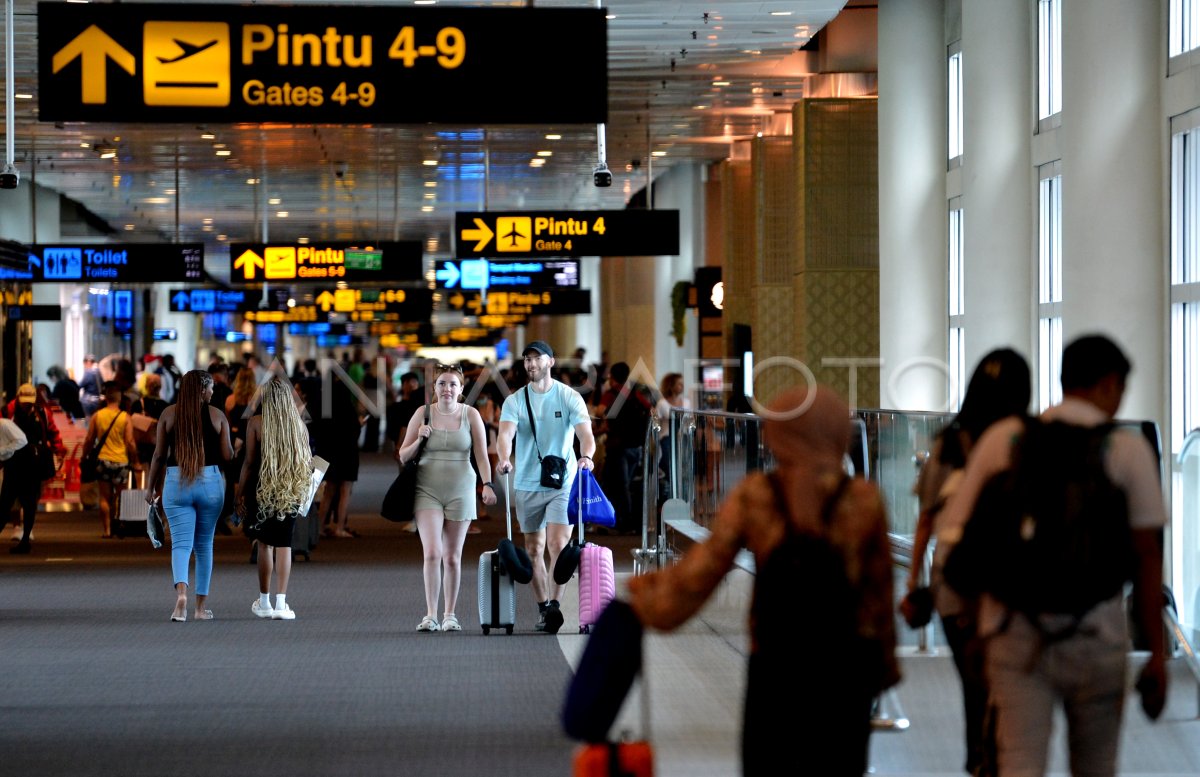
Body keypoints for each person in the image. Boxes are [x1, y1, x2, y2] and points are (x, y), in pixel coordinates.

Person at [628, 384, 899, 776]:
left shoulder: (757, 497)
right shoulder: (863, 500)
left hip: (776, 661)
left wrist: (645, 601)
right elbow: (878, 592)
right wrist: (884, 668)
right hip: (845, 666)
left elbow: (700, 573)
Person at [936, 335, 1168, 776]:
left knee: (1020, 763)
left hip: (1014, 633)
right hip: (1097, 636)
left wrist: (975, 628)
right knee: (1095, 767)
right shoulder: (1125, 448)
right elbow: (1147, 556)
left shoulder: (1007, 439)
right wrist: (1156, 654)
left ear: (1063, 380)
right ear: (1109, 384)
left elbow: (957, 539)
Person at [902, 348, 1031, 776]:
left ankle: (981, 760)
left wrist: (913, 581)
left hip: (954, 584)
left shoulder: (949, 443)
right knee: (1010, 690)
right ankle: (997, 759)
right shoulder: (1029, 442)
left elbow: (926, 520)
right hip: (1014, 585)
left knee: (976, 690)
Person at [495, 340, 596, 634]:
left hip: (561, 482)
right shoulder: (515, 401)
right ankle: (543, 609)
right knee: (533, 548)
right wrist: (503, 458)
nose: (531, 364)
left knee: (557, 545)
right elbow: (505, 435)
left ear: (550, 362)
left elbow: (585, 435)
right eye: (527, 359)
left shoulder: (568, 397)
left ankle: (554, 606)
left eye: (537, 358)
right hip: (526, 482)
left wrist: (587, 456)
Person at [396, 364, 496, 632]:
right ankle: (430, 614)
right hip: (426, 488)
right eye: (442, 384)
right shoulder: (423, 413)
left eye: (453, 384)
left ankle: (450, 613)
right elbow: (403, 455)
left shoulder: (471, 415)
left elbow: (482, 455)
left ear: (461, 389)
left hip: (461, 489)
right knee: (432, 553)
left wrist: (487, 484)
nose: (447, 389)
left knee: (452, 556)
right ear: (434, 388)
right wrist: (419, 439)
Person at [145, 371, 234, 622]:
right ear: (202, 390)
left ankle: (180, 596)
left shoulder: (168, 415)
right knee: (204, 546)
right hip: (210, 483)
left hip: (176, 482)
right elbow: (227, 456)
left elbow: (159, 455)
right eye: (211, 389)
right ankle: (200, 608)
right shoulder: (217, 416)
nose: (213, 393)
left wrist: (150, 487)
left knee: (181, 544)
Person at [237, 377, 312, 621]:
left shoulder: (255, 423)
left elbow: (249, 462)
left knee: (264, 544)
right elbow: (306, 462)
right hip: (289, 489)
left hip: (263, 489)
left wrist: (239, 492)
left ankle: (264, 600)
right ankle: (282, 601)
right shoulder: (299, 426)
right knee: (284, 545)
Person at [2, 384, 66, 553]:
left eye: (30, 402)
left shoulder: (42, 412)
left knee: (30, 503)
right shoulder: (7, 411)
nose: (27, 405)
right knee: (5, 502)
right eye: (24, 402)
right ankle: (16, 527)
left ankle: (25, 540)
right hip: (13, 463)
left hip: (33, 464)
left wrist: (59, 449)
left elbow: (52, 432)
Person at [595, 361, 652, 534]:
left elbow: (600, 411)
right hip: (636, 446)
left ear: (612, 376)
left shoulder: (612, 394)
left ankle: (622, 522)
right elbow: (651, 410)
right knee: (623, 483)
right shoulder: (634, 394)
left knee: (619, 485)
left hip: (617, 446)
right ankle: (623, 520)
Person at [81, 381, 137, 538]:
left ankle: (107, 530)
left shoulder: (97, 416)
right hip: (121, 461)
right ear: (119, 399)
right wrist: (135, 459)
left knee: (105, 497)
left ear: (106, 398)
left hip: (103, 461)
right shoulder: (125, 417)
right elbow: (130, 442)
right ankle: (120, 526)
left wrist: (85, 455)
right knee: (121, 497)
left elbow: (89, 439)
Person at [317, 379, 363, 538]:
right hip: (348, 454)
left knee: (328, 493)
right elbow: (355, 433)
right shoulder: (349, 409)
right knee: (345, 492)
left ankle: (320, 526)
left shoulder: (326, 410)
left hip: (331, 454)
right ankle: (340, 527)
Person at [654, 371, 690, 501]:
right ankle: (670, 498)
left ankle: (682, 498)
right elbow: (656, 423)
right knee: (669, 469)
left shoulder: (686, 402)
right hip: (666, 439)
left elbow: (690, 420)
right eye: (679, 384)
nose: (682, 386)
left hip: (683, 438)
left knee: (684, 468)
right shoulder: (662, 404)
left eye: (682, 384)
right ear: (671, 385)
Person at [130, 373, 169, 471]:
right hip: (161, 447)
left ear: (146, 386)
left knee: (144, 478)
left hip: (141, 446)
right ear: (160, 387)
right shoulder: (166, 406)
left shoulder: (138, 404)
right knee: (160, 478)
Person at [386, 371, 422, 455]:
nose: (411, 385)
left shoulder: (420, 406)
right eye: (408, 382)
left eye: (414, 381)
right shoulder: (396, 407)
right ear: (403, 385)